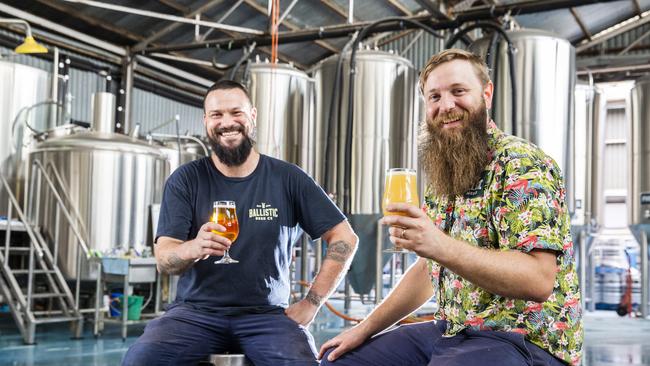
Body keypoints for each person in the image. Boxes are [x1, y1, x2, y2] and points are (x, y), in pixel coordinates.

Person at [319, 49, 583, 366]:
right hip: (451, 332)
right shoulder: (446, 174)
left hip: (525, 342)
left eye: (458, 91)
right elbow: (430, 271)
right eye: (434, 97)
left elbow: (538, 280)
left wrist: (439, 245)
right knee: (340, 361)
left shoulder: (522, 164)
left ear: (486, 93)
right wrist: (363, 329)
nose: (446, 105)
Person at [122, 80, 358, 366]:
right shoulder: (186, 180)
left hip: (267, 316)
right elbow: (164, 259)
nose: (227, 123)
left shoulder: (288, 178)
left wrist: (312, 303)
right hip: (195, 314)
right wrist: (194, 248)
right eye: (217, 115)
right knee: (141, 360)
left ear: (253, 116)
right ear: (206, 121)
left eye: (236, 113)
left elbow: (344, 237)